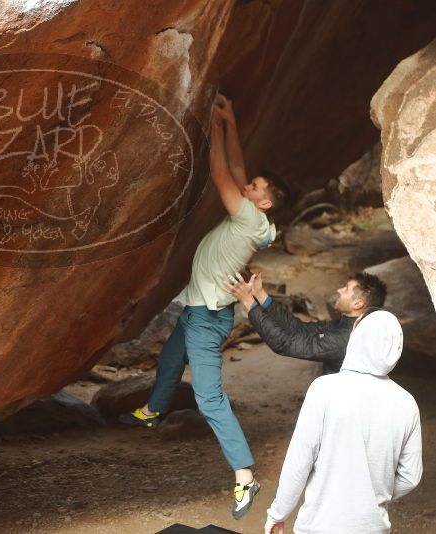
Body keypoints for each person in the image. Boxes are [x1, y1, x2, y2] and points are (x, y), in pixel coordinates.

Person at [119, 93, 289, 519]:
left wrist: (212, 128)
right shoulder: (261, 222)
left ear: (263, 202)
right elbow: (235, 169)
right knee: (171, 359)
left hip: (207, 318)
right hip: (201, 310)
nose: (246, 185)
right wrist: (230, 122)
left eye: (254, 188)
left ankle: (245, 477)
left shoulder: (249, 219)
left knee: (210, 399)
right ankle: (153, 411)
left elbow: (219, 172)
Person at [264, 310, 422, 534]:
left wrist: (278, 514)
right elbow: (410, 477)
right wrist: (368, 496)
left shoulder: (325, 389)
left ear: (357, 338)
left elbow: (299, 462)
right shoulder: (407, 404)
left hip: (319, 527)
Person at [224, 271, 387, 374]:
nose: (339, 290)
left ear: (358, 304)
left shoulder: (346, 339)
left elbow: (285, 344)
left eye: (346, 288)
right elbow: (298, 328)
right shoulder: (347, 325)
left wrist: (248, 302)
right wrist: (260, 295)